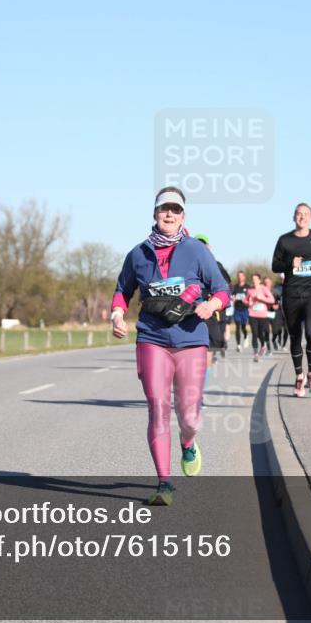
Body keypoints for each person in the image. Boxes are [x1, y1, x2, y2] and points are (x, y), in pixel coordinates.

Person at [111, 187, 229, 506]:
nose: (169, 215)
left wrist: (211, 305)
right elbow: (123, 289)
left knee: (189, 416)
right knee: (158, 408)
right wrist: (116, 313)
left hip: (190, 339)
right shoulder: (138, 253)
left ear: (183, 217)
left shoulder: (197, 251)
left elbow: (222, 289)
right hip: (152, 338)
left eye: (175, 210)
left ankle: (188, 444)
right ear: (154, 213)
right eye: (164, 209)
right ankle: (164, 483)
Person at [272, 203, 311, 397]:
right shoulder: (284, 240)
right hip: (291, 295)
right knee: (295, 336)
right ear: (293, 217)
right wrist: (290, 263)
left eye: (305, 215)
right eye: (298, 214)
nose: (302, 217)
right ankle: (299, 377)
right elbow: (275, 265)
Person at [194, 234, 230, 381]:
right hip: (189, 313)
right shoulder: (185, 266)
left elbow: (226, 288)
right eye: (197, 245)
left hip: (210, 314)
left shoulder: (216, 266)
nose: (201, 249)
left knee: (207, 355)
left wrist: (214, 301)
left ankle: (199, 392)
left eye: (203, 245)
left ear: (209, 248)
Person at [246, 273, 275, 362]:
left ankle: (263, 345)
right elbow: (245, 300)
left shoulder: (264, 289)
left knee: (260, 333)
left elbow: (272, 300)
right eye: (253, 279)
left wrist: (261, 298)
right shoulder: (250, 290)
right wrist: (248, 303)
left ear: (259, 280)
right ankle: (255, 354)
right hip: (252, 314)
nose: (254, 281)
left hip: (262, 315)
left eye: (256, 279)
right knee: (254, 333)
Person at [231, 271, 250, 351]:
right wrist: (233, 298)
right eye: (238, 276)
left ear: (244, 277)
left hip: (245, 309)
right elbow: (232, 296)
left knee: (243, 327)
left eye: (241, 276)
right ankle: (238, 345)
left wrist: (246, 300)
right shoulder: (235, 287)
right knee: (237, 327)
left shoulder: (248, 287)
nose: (240, 277)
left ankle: (246, 336)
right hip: (237, 309)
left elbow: (250, 298)